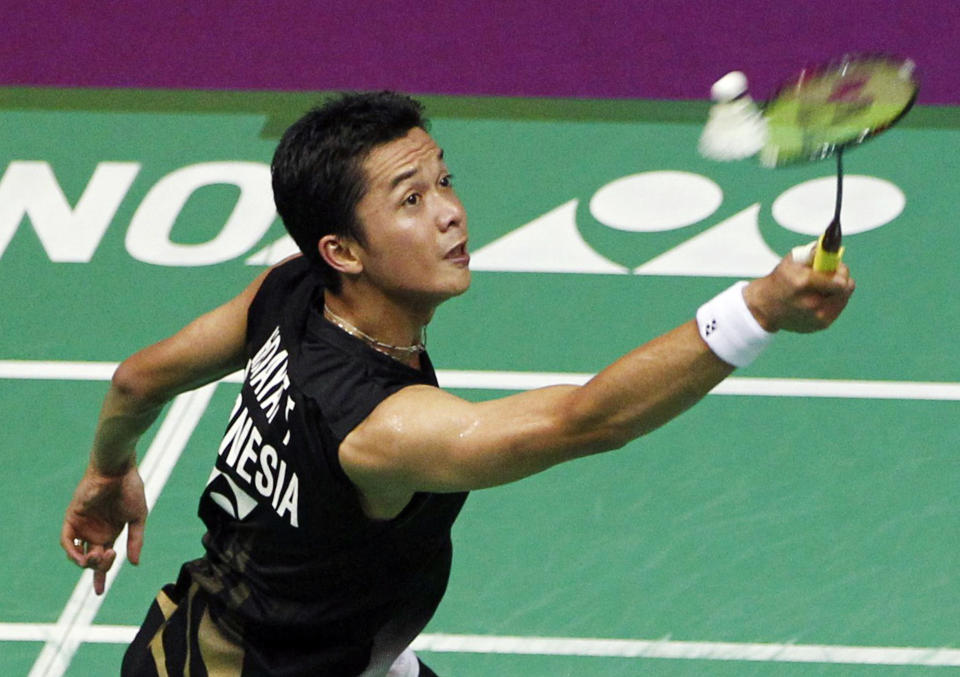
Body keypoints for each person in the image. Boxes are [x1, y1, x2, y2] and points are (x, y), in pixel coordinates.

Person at [61, 91, 855, 676]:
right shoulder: (384, 427)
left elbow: (138, 380)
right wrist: (757, 311)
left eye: (444, 180)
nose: (450, 213)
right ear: (343, 250)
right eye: (412, 199)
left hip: (226, 637)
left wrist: (106, 469)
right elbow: (586, 421)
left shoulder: (291, 292)